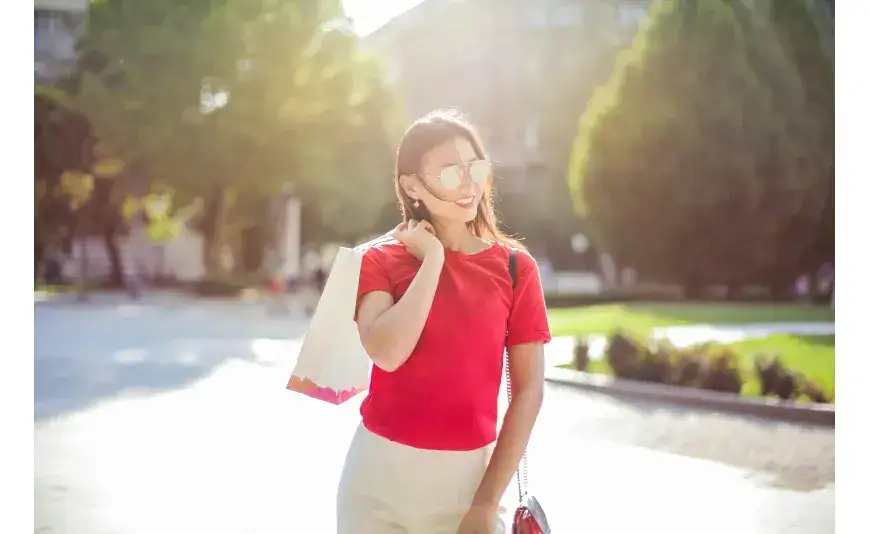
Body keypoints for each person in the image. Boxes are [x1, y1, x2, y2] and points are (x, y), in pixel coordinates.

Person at [337, 110, 551, 534]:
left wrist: (486, 504)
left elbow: (529, 391)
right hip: (375, 484)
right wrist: (433, 260)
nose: (470, 184)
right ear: (412, 185)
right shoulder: (379, 260)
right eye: (451, 172)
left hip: (468, 486)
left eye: (476, 168)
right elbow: (388, 351)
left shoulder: (515, 269)